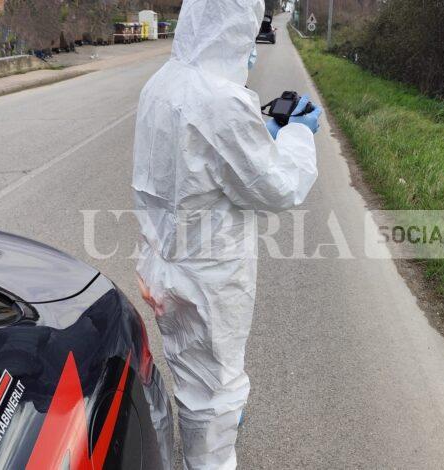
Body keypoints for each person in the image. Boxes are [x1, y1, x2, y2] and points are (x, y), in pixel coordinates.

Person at [131, 1, 321, 468]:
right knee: (212, 392)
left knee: (190, 367)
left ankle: (211, 430)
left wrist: (263, 133)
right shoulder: (220, 99)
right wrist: (297, 134)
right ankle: (209, 458)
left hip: (164, 262)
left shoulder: (162, 83)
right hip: (208, 279)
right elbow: (277, 187)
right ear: (236, 25)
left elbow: (207, 162)